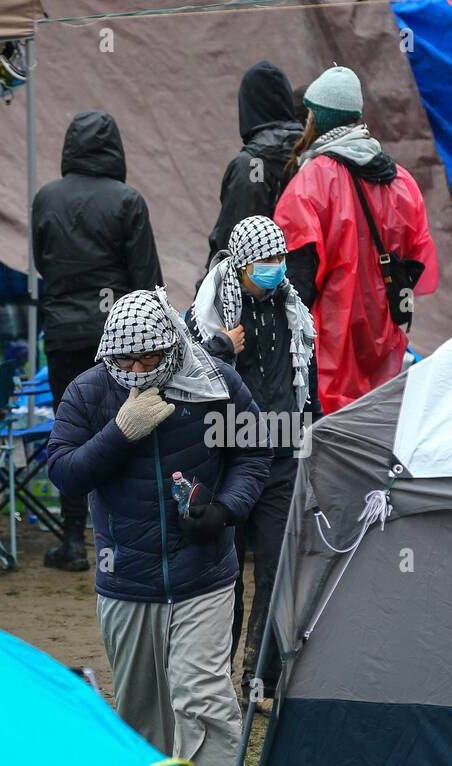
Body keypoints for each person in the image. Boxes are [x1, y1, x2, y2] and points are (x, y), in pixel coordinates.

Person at [46, 288, 271, 766]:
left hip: (205, 575)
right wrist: (120, 432)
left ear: (173, 346)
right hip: (127, 580)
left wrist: (225, 510)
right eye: (125, 358)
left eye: (150, 357)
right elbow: (64, 474)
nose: (137, 368)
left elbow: (256, 449)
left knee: (203, 696)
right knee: (142, 710)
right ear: (109, 351)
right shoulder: (89, 392)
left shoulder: (214, 382)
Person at [185, 215, 318, 707]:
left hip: (281, 453)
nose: (276, 268)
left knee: (275, 568)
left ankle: (258, 678)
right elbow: (185, 371)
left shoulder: (292, 310)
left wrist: (313, 428)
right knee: (226, 574)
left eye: (280, 258)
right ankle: (217, 679)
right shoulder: (207, 312)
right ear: (241, 265)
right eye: (266, 261)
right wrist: (222, 347)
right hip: (229, 459)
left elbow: (306, 373)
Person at [32, 110, 164, 572]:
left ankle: (72, 542)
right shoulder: (128, 201)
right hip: (122, 343)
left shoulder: (45, 198)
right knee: (127, 429)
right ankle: (126, 538)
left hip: (63, 336)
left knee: (69, 433)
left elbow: (42, 264)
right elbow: (149, 282)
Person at [274, 65, 438, 413]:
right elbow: (416, 259)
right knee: (373, 434)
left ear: (318, 119)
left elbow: (295, 277)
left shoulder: (311, 183)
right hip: (384, 342)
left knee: (330, 440)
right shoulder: (402, 181)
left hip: (331, 344)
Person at [204, 61, 304, 270]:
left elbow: (232, 243)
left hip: (257, 293)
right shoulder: (314, 157)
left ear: (248, 107)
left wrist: (207, 293)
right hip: (309, 289)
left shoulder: (250, 166)